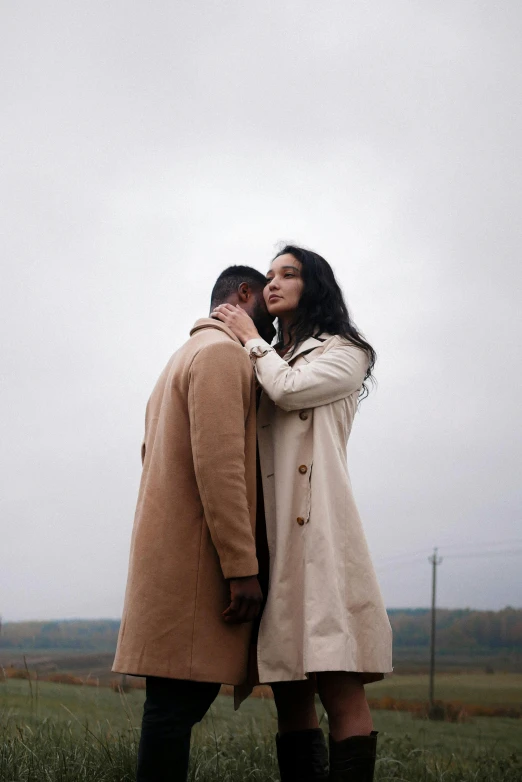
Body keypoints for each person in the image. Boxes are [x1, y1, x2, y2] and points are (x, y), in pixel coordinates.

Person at [212, 245, 393, 782]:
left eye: (287, 273)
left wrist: (247, 337)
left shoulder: (344, 351)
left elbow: (290, 393)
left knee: (340, 686)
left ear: (313, 285)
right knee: (289, 692)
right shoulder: (268, 356)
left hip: (321, 538)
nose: (272, 282)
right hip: (274, 541)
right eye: (268, 275)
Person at [113, 265, 275, 782]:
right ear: (243, 294)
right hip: (199, 572)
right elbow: (221, 466)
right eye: (267, 307)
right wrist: (242, 568)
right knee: (173, 712)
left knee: (169, 711)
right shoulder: (223, 354)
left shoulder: (178, 359)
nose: (270, 328)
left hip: (171, 565)